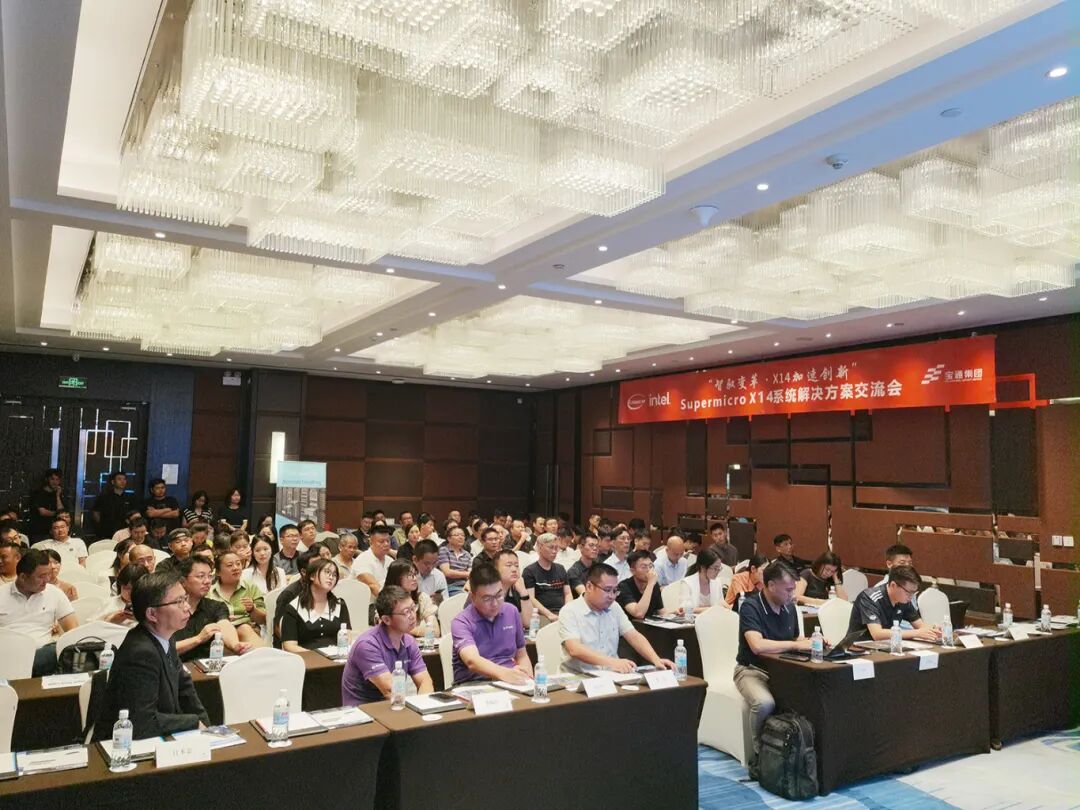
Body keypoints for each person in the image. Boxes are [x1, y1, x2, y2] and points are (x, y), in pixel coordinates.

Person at [94, 570, 209, 740]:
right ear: (152, 614)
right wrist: (193, 722)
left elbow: (185, 689)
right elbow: (142, 722)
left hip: (158, 735)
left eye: (185, 599)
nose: (187, 607)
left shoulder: (166, 637)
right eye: (179, 601)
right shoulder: (140, 653)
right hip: (123, 744)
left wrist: (207, 727)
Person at [734, 562, 810, 779]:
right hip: (752, 670)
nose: (792, 594)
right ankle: (761, 756)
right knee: (765, 703)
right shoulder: (751, 606)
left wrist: (812, 641)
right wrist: (796, 645)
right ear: (770, 585)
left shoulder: (789, 607)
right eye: (788, 589)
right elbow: (757, 645)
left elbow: (796, 638)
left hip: (785, 671)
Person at [558, 563, 675, 675]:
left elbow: (634, 636)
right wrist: (612, 662)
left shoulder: (614, 607)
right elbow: (575, 649)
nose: (612, 596)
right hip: (579, 676)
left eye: (615, 591)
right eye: (607, 590)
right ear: (589, 586)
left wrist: (656, 659)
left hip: (611, 674)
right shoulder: (570, 611)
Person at [342, 585, 434, 705]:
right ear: (386, 620)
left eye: (413, 608)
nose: (412, 616)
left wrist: (423, 706)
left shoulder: (409, 641)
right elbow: (390, 690)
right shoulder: (367, 645)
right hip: (363, 711)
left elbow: (425, 682)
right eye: (406, 612)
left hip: (394, 707)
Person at [451, 563, 533, 685]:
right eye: (487, 598)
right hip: (474, 683)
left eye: (499, 595)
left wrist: (527, 677)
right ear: (473, 597)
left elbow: (521, 654)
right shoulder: (461, 622)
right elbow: (472, 661)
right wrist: (506, 674)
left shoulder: (511, 611)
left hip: (509, 681)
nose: (495, 603)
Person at [0, 548, 79, 675]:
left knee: (57, 650)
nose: (47, 579)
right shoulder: (2, 594)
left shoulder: (54, 593)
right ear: (23, 577)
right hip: (7, 655)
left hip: (44, 655)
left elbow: (73, 630)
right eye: (41, 576)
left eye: (48, 574)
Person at [173, 556, 253, 660]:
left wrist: (235, 645)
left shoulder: (216, 606)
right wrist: (198, 639)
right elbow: (163, 649)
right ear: (183, 581)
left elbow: (224, 625)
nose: (207, 581)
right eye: (201, 576)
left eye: (210, 576)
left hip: (205, 666)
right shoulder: (169, 609)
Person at [847, 565, 940, 642]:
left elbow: (920, 626)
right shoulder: (869, 597)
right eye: (909, 592)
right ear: (893, 585)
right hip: (860, 648)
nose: (911, 597)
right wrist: (916, 633)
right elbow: (877, 634)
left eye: (914, 593)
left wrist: (934, 629)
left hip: (886, 646)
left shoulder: (904, 600)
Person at [280, 558, 351, 652]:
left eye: (334, 575)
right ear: (312, 576)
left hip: (336, 657)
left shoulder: (340, 605)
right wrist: (316, 656)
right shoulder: (293, 608)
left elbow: (347, 638)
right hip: (307, 658)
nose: (331, 577)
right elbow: (289, 646)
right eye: (327, 572)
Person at [207, 551, 266, 645]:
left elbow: (263, 620)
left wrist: (252, 609)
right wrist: (223, 621)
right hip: (220, 636)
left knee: (244, 628)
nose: (235, 568)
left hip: (248, 632)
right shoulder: (209, 592)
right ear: (218, 572)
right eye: (230, 565)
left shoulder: (250, 587)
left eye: (238, 564)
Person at [522, 533, 571, 625]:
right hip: (541, 614)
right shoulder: (529, 571)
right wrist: (549, 614)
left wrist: (566, 611)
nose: (554, 551)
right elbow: (531, 598)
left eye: (556, 548)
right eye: (551, 547)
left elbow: (568, 593)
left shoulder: (561, 568)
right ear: (540, 547)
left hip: (562, 612)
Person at [617, 550, 681, 619]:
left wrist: (674, 614)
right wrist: (650, 584)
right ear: (633, 571)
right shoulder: (623, 586)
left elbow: (662, 612)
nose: (649, 570)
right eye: (644, 567)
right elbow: (638, 614)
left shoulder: (654, 584)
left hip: (648, 624)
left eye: (651, 566)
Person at [384, 559, 439, 638]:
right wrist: (422, 629)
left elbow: (435, 632)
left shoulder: (422, 598)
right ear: (397, 578)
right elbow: (386, 630)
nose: (415, 578)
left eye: (415, 574)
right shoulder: (386, 601)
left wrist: (404, 629)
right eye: (410, 575)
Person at [677, 546, 728, 613]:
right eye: (715, 568)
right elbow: (683, 609)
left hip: (713, 618)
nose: (718, 571)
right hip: (693, 619)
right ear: (703, 567)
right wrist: (711, 609)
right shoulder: (687, 583)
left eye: (719, 568)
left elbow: (721, 603)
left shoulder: (717, 582)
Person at [493, 549, 533, 627]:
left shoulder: (517, 589)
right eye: (509, 565)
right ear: (495, 570)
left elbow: (529, 623)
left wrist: (523, 592)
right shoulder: (487, 591)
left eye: (517, 565)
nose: (514, 569)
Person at [28, 468, 70, 541]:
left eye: (57, 479)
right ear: (47, 479)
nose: (55, 482)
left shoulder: (58, 494)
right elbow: (42, 512)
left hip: (55, 531)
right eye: (52, 479)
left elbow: (61, 511)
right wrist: (57, 514)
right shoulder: (38, 493)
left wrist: (57, 496)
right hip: (40, 531)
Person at [92, 471, 137, 539]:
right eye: (119, 479)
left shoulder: (131, 498)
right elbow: (96, 513)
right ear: (113, 482)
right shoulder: (104, 497)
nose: (122, 481)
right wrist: (103, 525)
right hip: (107, 532)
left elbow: (134, 514)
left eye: (124, 479)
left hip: (125, 531)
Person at [353, 525, 393, 598]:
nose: (386, 544)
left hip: (386, 600)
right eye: (381, 541)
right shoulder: (362, 560)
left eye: (388, 541)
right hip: (364, 602)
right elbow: (373, 586)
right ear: (371, 543)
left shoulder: (390, 561)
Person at [438, 526, 472, 597]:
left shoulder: (467, 554)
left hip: (466, 586)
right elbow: (447, 572)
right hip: (450, 586)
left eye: (462, 535)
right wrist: (467, 574)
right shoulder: (444, 550)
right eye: (457, 535)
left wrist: (468, 584)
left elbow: (471, 574)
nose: (461, 537)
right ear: (449, 538)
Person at [414, 539, 447, 605]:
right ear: (415, 559)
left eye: (434, 563)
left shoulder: (439, 575)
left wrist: (440, 600)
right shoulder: (408, 576)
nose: (431, 567)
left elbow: (445, 602)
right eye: (426, 564)